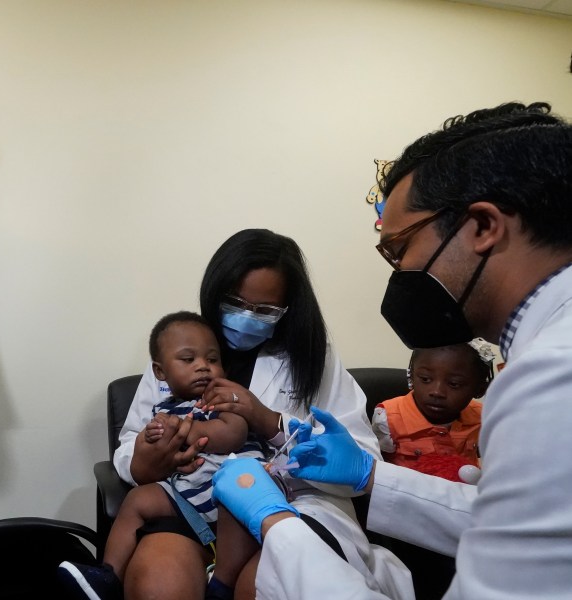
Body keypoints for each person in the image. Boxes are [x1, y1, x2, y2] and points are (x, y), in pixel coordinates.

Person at [212, 101, 572, 599]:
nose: (397, 270)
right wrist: (369, 478)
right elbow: (519, 529)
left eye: (399, 248)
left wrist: (279, 527)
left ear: (484, 227)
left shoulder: (552, 377)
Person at [112, 229, 412, 600]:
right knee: (158, 583)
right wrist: (147, 458)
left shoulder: (313, 358)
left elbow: (363, 461)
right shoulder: (181, 347)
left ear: (287, 309)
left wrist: (267, 421)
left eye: (265, 310)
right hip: (190, 501)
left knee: (260, 584)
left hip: (292, 505)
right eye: (235, 303)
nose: (247, 318)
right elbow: (130, 444)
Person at [60, 311, 268, 599]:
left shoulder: (222, 397)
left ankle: (222, 583)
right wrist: (154, 439)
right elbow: (144, 450)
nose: (203, 367)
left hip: (234, 491)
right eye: (188, 360)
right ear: (160, 372)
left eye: (212, 359)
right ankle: (108, 575)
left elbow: (234, 433)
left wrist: (188, 429)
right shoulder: (162, 408)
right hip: (188, 496)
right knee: (138, 499)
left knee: (243, 494)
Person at [372, 338, 494, 482]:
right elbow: (378, 469)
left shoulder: (482, 417)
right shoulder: (388, 418)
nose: (437, 392)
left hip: (463, 497)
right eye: (425, 379)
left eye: (454, 384)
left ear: (480, 390)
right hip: (409, 496)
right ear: (411, 375)